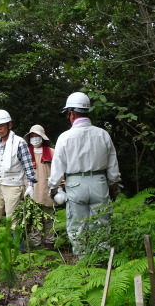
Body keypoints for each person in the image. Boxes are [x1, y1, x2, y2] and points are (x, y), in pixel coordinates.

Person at [48, 92, 121, 255]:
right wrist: (114, 184)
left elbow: (57, 166)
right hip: (100, 183)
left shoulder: (65, 137)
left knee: (77, 226)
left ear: (72, 113)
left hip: (75, 184)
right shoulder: (103, 134)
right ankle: (101, 261)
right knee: (102, 225)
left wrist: (53, 188)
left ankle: (83, 262)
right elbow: (113, 165)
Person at [0, 110, 38, 248]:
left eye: (2, 125)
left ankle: (19, 249)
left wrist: (31, 186)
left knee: (13, 219)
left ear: (9, 125)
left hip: (14, 185)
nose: (0, 129)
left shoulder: (19, 143)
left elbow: (28, 166)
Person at [24, 124, 56, 247]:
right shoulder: (26, 153)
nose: (35, 138)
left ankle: (49, 242)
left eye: (37, 135)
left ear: (42, 137)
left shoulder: (52, 152)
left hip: (47, 189)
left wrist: (59, 187)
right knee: (33, 219)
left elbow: (59, 171)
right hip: (31, 190)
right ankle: (35, 244)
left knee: (48, 219)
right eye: (32, 135)